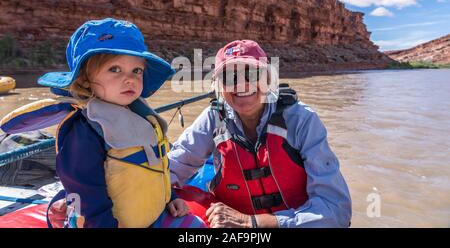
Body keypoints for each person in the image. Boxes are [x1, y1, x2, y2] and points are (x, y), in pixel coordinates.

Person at [34, 18, 204, 228]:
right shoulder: (85, 130)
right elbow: (87, 195)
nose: (129, 79)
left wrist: (169, 199)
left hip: (154, 215)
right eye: (115, 69)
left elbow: (157, 167)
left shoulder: (141, 116)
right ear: (85, 79)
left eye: (137, 71)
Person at [168, 39, 352, 228]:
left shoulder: (302, 120)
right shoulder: (212, 119)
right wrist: (171, 197)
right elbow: (169, 169)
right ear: (219, 87)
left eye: (252, 73)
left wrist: (253, 223)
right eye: (229, 77)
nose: (241, 84)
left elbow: (336, 210)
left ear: (269, 79)